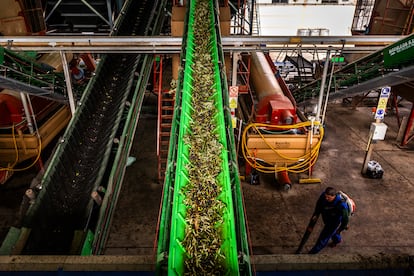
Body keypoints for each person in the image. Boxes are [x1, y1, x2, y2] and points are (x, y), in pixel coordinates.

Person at [308, 187, 349, 254]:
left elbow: (345, 219)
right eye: (326, 197)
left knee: (323, 238)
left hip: (334, 221)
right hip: (326, 217)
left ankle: (312, 254)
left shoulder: (342, 205)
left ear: (334, 196)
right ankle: (337, 240)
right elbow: (319, 204)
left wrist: (340, 229)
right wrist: (316, 214)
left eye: (328, 198)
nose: (326, 199)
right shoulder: (324, 195)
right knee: (331, 232)